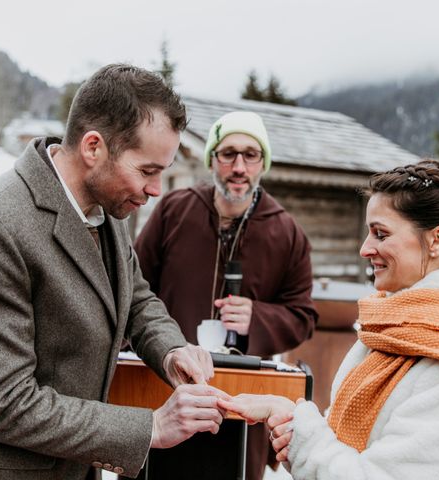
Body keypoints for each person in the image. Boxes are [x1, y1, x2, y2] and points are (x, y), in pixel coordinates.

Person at [0, 64, 229, 480]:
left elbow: (136, 298)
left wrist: (171, 351)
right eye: (147, 171)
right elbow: (5, 403)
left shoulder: (107, 203)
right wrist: (151, 427)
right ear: (93, 147)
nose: (157, 189)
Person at [219, 159, 439, 479]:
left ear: (438, 240)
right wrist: (293, 424)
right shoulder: (396, 327)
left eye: (381, 234)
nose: (365, 249)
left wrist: (295, 425)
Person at [134, 111, 318, 480]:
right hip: (166, 389)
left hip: (243, 402)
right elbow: (133, 287)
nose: (239, 166)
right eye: (228, 154)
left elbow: (303, 317)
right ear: (212, 160)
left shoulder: (287, 232)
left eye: (250, 155)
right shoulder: (174, 210)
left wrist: (258, 318)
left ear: (263, 162)